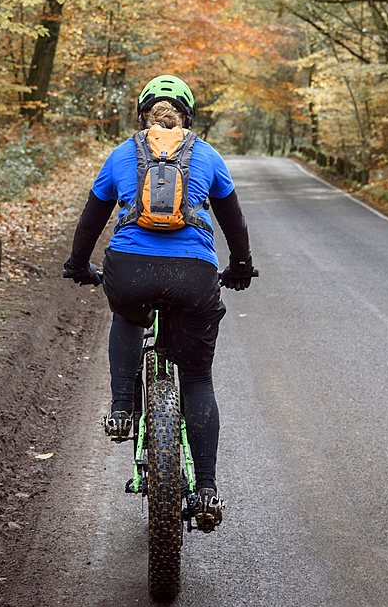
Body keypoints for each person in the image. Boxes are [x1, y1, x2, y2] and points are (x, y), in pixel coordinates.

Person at [63, 75, 254, 532]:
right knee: (197, 378)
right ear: (188, 117)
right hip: (194, 275)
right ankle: (206, 490)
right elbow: (234, 223)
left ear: (142, 115)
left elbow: (91, 221)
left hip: (130, 268)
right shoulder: (206, 155)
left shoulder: (121, 155)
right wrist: (241, 267)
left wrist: (77, 265)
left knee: (127, 311)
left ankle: (123, 407)